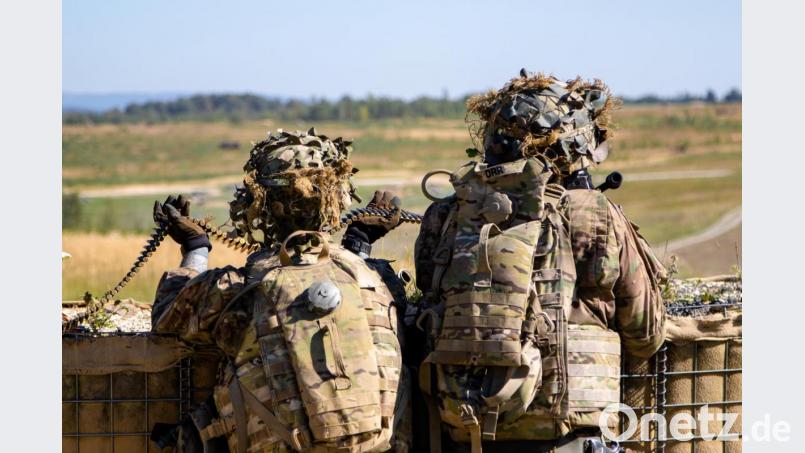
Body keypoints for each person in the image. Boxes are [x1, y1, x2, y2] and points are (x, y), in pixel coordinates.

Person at [413, 71, 666, 452]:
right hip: (570, 434)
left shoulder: (449, 214)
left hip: (468, 429)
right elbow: (646, 335)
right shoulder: (594, 212)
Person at [151, 128, 411, 453]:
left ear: (259, 205)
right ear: (335, 200)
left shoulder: (240, 290)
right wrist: (358, 241)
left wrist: (196, 247)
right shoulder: (378, 277)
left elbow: (167, 315)